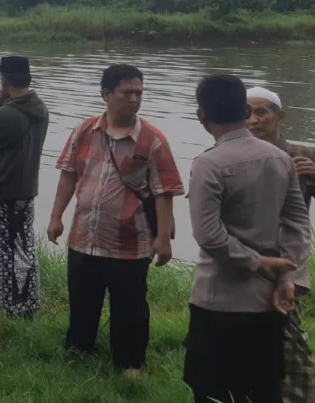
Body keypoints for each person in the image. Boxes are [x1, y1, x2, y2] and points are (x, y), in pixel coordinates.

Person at [47, 64, 183, 376]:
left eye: (139, 92)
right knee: (82, 301)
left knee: (130, 307)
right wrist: (56, 216)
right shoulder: (84, 130)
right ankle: (78, 351)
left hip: (130, 241)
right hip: (84, 237)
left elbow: (165, 192)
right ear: (106, 94)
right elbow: (69, 174)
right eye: (127, 93)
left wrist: (162, 238)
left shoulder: (153, 140)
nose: (134, 99)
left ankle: (130, 363)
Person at [185, 75, 311, 403]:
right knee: (263, 388)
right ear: (243, 110)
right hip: (268, 300)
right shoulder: (281, 159)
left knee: (214, 391)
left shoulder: (208, 163)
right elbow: (298, 223)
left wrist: (258, 263)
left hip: (218, 301)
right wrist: (287, 275)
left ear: (201, 115)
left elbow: (209, 235)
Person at [246, 86, 315, 402]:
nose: (253, 120)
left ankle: (292, 393)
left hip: (286, 257)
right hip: (244, 257)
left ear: (280, 116)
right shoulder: (235, 153)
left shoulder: (304, 154)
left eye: (262, 112)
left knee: (284, 329)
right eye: (247, 112)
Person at [0, 55, 49, 318]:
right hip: (25, 191)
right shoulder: (39, 109)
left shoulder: (5, 115)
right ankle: (25, 303)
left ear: (4, 80)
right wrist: (2, 99)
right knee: (22, 247)